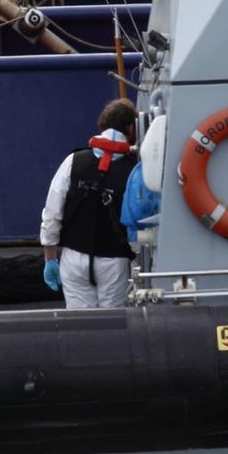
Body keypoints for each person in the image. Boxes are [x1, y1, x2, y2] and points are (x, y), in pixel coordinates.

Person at [39, 98, 138, 309]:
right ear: (131, 128)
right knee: (114, 327)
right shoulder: (134, 170)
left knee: (80, 328)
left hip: (74, 257)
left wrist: (50, 258)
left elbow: (52, 212)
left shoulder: (73, 161)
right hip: (114, 260)